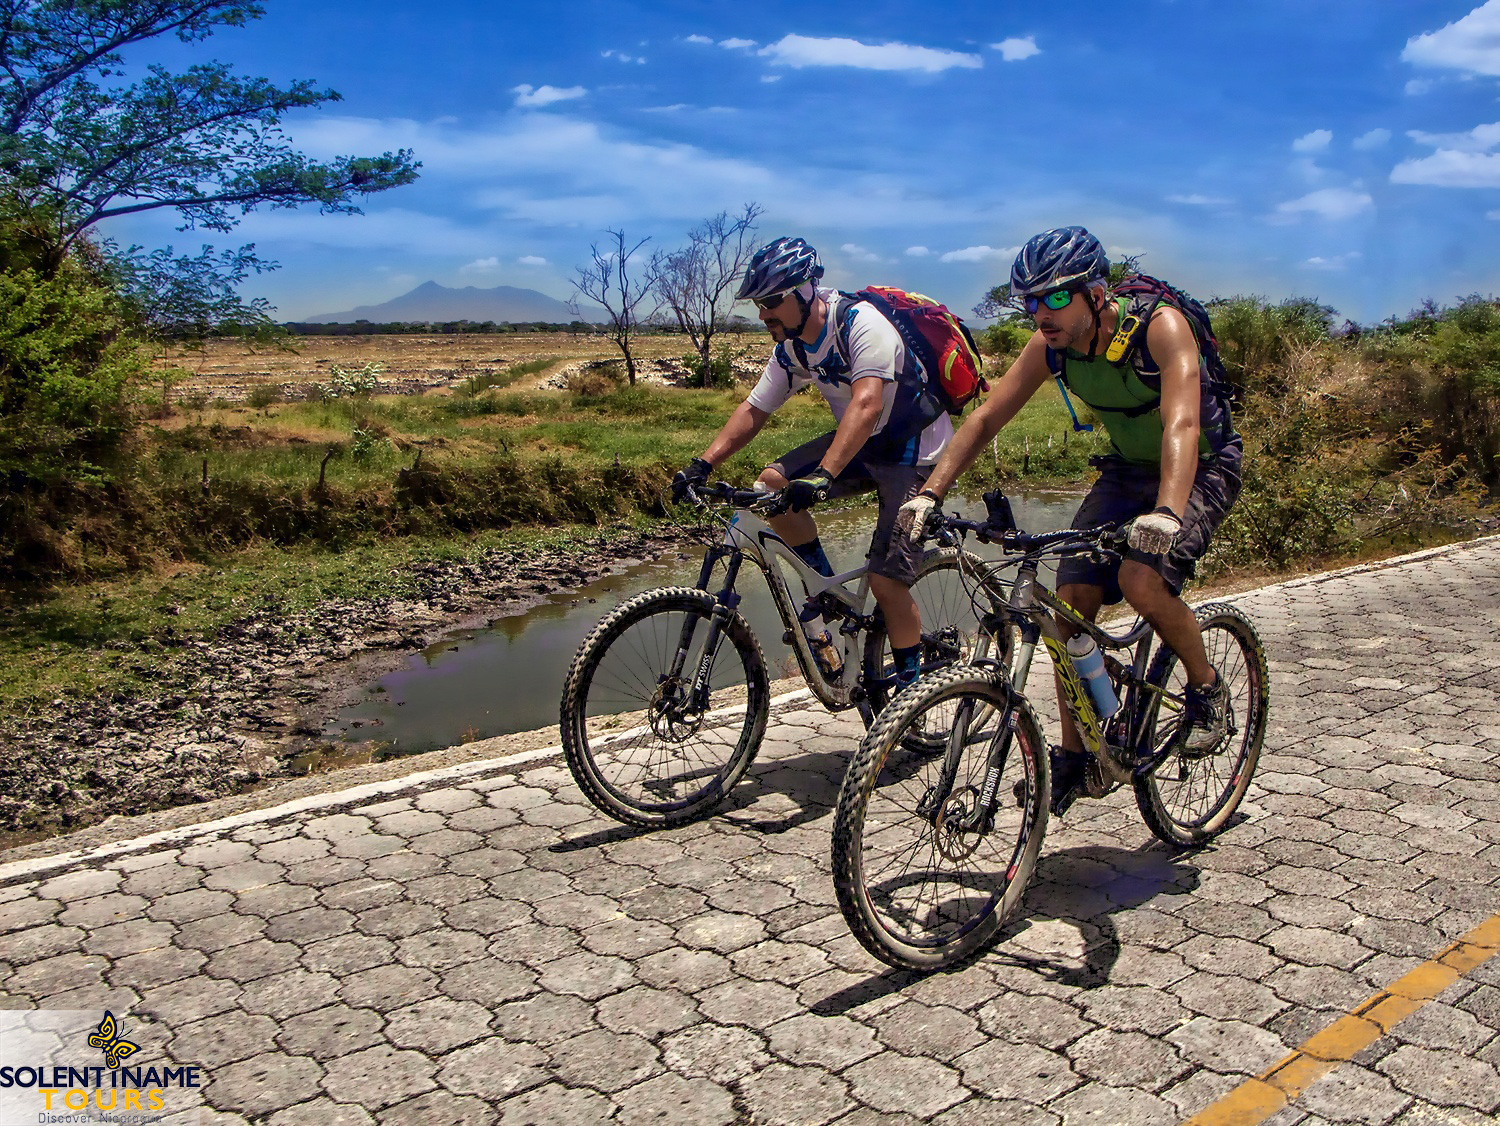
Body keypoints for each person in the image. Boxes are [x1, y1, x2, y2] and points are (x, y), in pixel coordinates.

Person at [895, 226, 1243, 814]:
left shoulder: (1160, 327)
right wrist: (927, 494)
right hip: (1126, 469)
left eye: (1056, 298)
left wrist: (1166, 511)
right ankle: (1078, 757)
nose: (1041, 313)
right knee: (1068, 600)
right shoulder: (1050, 347)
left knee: (1140, 581)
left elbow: (1181, 425)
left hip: (1198, 466)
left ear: (1097, 293)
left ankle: (1206, 688)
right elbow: (983, 421)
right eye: (1031, 302)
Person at [671, 236, 954, 690]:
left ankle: (909, 696)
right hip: (861, 441)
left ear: (806, 291)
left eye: (771, 302)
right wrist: (701, 464)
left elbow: (866, 403)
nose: (763, 314)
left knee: (886, 584)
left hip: (914, 448)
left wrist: (824, 476)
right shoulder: (793, 347)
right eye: (758, 304)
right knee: (771, 487)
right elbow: (754, 409)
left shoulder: (862, 324)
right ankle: (827, 593)